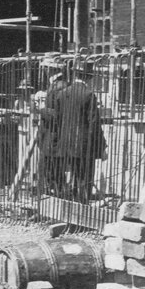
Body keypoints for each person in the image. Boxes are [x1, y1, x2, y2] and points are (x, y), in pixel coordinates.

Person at [50, 57, 107, 203]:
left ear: (75, 75)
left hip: (65, 145)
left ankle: (70, 208)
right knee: (84, 179)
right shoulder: (88, 95)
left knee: (71, 177)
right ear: (89, 77)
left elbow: (56, 120)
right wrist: (102, 147)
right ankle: (82, 210)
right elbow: (94, 124)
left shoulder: (61, 94)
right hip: (83, 147)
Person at [37, 56, 69, 196]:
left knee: (53, 172)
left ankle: (54, 202)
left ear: (48, 69)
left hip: (54, 137)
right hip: (52, 136)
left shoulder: (59, 86)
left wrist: (41, 109)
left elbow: (58, 115)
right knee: (52, 173)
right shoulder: (58, 85)